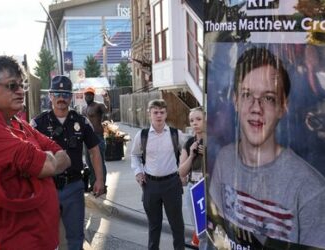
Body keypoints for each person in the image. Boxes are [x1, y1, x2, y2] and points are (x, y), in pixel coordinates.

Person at [209, 47, 325, 248]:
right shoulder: (224, 160)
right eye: (247, 95)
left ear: (283, 106)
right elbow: (218, 237)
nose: (256, 108)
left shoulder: (311, 190)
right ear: (235, 100)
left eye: (269, 98)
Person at [0, 56, 71, 250]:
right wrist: (44, 163)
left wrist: (34, 166)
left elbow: (64, 157)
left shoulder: (18, 123)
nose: (20, 91)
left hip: (42, 238)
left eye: (22, 85)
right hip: (13, 241)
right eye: (12, 86)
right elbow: (49, 165)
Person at [30, 76, 105, 250]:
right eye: (57, 93)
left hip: (74, 186)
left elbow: (94, 151)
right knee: (44, 236)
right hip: (46, 187)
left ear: (71, 97)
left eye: (65, 94)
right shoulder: (37, 123)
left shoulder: (81, 121)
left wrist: (99, 180)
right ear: (50, 95)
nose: (61, 98)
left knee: (75, 237)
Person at [131, 98, 186, 250]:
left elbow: (187, 149)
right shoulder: (142, 135)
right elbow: (135, 155)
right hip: (150, 185)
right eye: (155, 112)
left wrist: (184, 170)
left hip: (172, 184)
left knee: (177, 225)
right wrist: (138, 172)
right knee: (154, 226)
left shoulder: (175, 134)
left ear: (166, 114)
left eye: (162, 112)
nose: (159, 115)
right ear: (149, 114)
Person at [178, 106, 210, 249]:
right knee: (201, 232)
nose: (195, 123)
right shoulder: (189, 143)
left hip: (211, 189)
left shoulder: (215, 141)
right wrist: (191, 155)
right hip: (194, 189)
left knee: (215, 232)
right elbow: (181, 172)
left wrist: (208, 155)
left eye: (198, 119)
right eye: (191, 120)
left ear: (206, 120)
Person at [82, 87, 108, 191]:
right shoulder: (84, 108)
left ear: (93, 96)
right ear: (84, 96)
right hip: (87, 139)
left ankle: (103, 185)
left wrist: (106, 99)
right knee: (89, 163)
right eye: (87, 94)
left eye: (91, 94)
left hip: (97, 137)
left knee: (100, 161)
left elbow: (107, 110)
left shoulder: (98, 105)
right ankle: (93, 184)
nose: (89, 96)